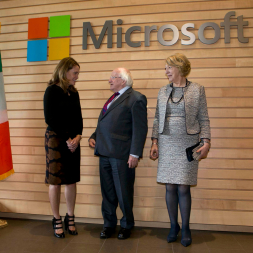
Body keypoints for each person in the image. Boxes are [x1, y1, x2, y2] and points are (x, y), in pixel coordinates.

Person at [150, 53, 211, 247]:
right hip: (166, 143)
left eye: (169, 67)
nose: (166, 71)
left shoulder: (197, 90)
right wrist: (154, 142)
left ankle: (186, 228)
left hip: (187, 143)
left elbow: (204, 118)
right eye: (165, 68)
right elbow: (157, 118)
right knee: (170, 186)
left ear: (180, 68)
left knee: (183, 186)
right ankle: (173, 226)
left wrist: (206, 141)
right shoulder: (162, 91)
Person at [89, 68, 148, 240]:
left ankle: (127, 225)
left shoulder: (136, 98)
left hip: (122, 154)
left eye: (113, 77)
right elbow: (104, 121)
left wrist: (135, 154)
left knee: (124, 193)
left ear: (123, 80)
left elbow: (140, 129)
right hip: (104, 152)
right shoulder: (112, 98)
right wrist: (94, 136)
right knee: (107, 192)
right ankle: (108, 225)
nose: (109, 80)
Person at [43, 57, 83, 238]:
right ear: (64, 71)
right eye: (75, 73)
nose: (77, 77)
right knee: (55, 181)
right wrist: (68, 138)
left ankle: (70, 216)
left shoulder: (73, 92)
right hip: (56, 140)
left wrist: (78, 137)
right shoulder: (51, 91)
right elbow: (50, 119)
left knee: (71, 179)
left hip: (73, 141)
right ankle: (56, 218)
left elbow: (79, 118)